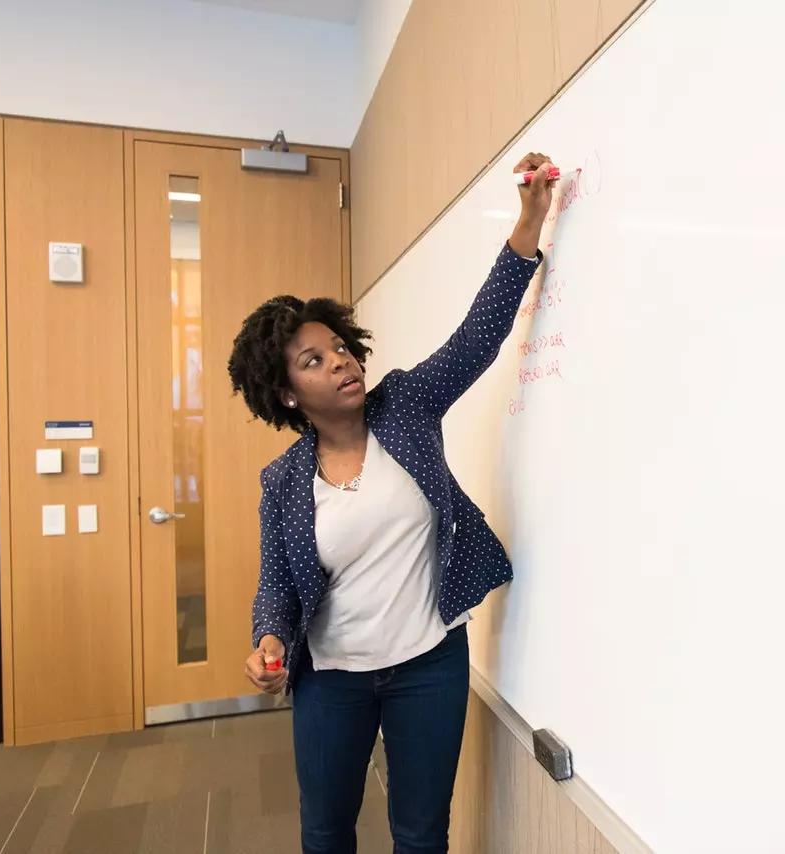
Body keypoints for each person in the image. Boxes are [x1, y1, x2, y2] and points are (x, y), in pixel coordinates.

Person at [227, 154, 558, 854]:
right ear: (286, 395)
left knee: (421, 834)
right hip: (331, 680)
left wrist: (528, 222)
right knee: (325, 834)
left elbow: (475, 339)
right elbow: (276, 585)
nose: (340, 362)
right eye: (313, 361)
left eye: (339, 348)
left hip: (429, 664)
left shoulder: (405, 406)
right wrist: (269, 640)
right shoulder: (282, 482)